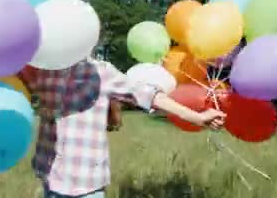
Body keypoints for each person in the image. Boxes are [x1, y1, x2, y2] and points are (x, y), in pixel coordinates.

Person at [18, 57, 226, 198]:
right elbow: (15, 71)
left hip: (87, 183)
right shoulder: (43, 70)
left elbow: (148, 95)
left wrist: (196, 117)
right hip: (51, 176)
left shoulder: (101, 71)